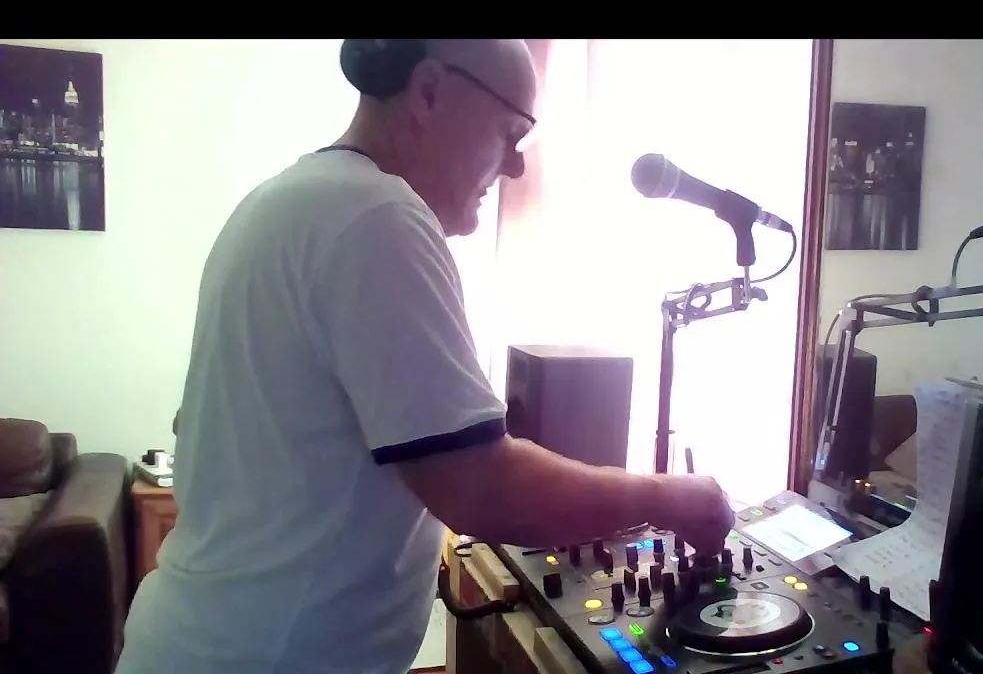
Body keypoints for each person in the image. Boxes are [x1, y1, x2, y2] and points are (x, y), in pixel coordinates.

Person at [116, 39, 735, 674]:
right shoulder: (376, 215)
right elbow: (481, 489)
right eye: (512, 133)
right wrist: (669, 498)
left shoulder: (286, 199)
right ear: (430, 92)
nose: (517, 167)